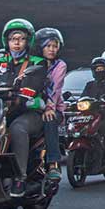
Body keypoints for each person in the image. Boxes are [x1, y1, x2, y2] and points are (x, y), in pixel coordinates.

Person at [0, 19, 47, 198]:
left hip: (28, 112)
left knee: (17, 128)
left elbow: (33, 86)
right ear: (6, 41)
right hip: (1, 110)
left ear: (28, 41)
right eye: (12, 38)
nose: (16, 42)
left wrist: (19, 95)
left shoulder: (37, 62)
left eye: (21, 38)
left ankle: (20, 177)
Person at [35, 28, 68, 181]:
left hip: (54, 108)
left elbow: (55, 89)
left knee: (49, 119)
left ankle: (53, 163)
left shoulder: (60, 65)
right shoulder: (33, 62)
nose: (52, 49)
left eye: (55, 46)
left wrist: (49, 107)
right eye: (48, 46)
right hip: (33, 105)